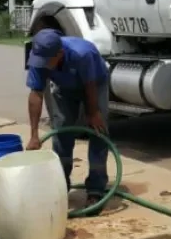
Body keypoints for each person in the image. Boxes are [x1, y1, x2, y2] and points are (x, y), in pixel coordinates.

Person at [24, 29, 110, 215]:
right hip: (64, 87)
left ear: (60, 54)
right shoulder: (39, 58)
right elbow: (36, 94)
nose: (42, 66)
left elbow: (90, 85)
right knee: (62, 129)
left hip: (95, 83)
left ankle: (96, 189)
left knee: (98, 132)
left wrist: (93, 112)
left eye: (46, 62)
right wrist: (33, 135)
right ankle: (61, 183)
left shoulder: (82, 53)